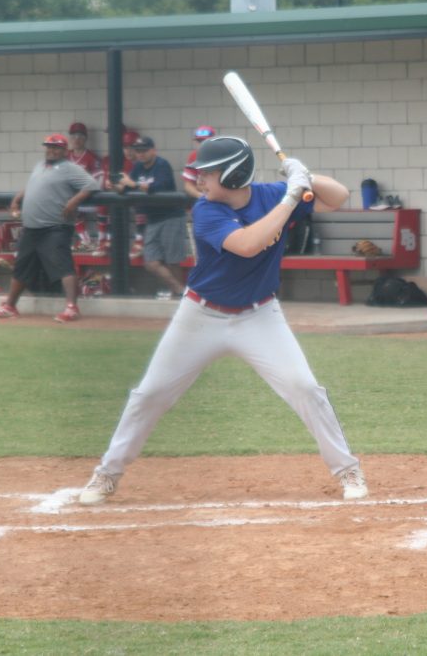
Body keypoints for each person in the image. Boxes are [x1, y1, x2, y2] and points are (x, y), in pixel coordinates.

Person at [78, 135, 368, 504]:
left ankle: (347, 471)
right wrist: (293, 196)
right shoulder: (206, 210)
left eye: (207, 174)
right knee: (149, 394)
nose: (199, 181)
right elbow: (249, 244)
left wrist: (305, 175)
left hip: (260, 315)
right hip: (200, 316)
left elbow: (338, 196)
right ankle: (107, 473)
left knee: (304, 387)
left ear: (232, 176)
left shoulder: (271, 194)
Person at [0, 133, 99, 323]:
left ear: (64, 150)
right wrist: (16, 199)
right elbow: (32, 186)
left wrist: (73, 201)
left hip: (55, 226)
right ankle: (10, 306)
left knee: (63, 266)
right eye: (48, 147)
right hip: (32, 228)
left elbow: (92, 185)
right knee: (21, 268)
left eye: (55, 147)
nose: (51, 150)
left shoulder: (69, 168)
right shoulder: (40, 165)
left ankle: (72, 308)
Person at [116, 136, 187, 299]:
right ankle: (180, 290)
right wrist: (120, 186)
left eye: (144, 150)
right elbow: (127, 186)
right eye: (138, 151)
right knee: (151, 262)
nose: (140, 154)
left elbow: (159, 187)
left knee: (172, 261)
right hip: (153, 219)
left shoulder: (162, 164)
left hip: (171, 216)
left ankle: (180, 297)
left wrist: (132, 184)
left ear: (153, 150)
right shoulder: (138, 168)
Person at [100, 127, 142, 258]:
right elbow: (120, 184)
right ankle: (108, 239)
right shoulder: (123, 162)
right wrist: (111, 184)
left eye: (131, 147)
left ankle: (140, 241)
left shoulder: (144, 163)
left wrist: (127, 184)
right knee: (112, 204)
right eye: (125, 147)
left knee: (141, 207)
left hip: (145, 202)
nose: (128, 151)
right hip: (126, 199)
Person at [66, 122, 104, 251]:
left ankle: (101, 242)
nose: (77, 139)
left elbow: (98, 179)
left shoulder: (91, 157)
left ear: (85, 138)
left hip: (90, 197)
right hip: (73, 197)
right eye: (74, 136)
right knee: (69, 206)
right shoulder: (65, 156)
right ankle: (86, 240)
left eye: (80, 136)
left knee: (105, 208)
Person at [183, 125, 216, 198]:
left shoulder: (223, 155)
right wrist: (202, 197)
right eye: (199, 141)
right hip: (202, 199)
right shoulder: (194, 156)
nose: (202, 144)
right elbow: (188, 185)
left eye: (205, 141)